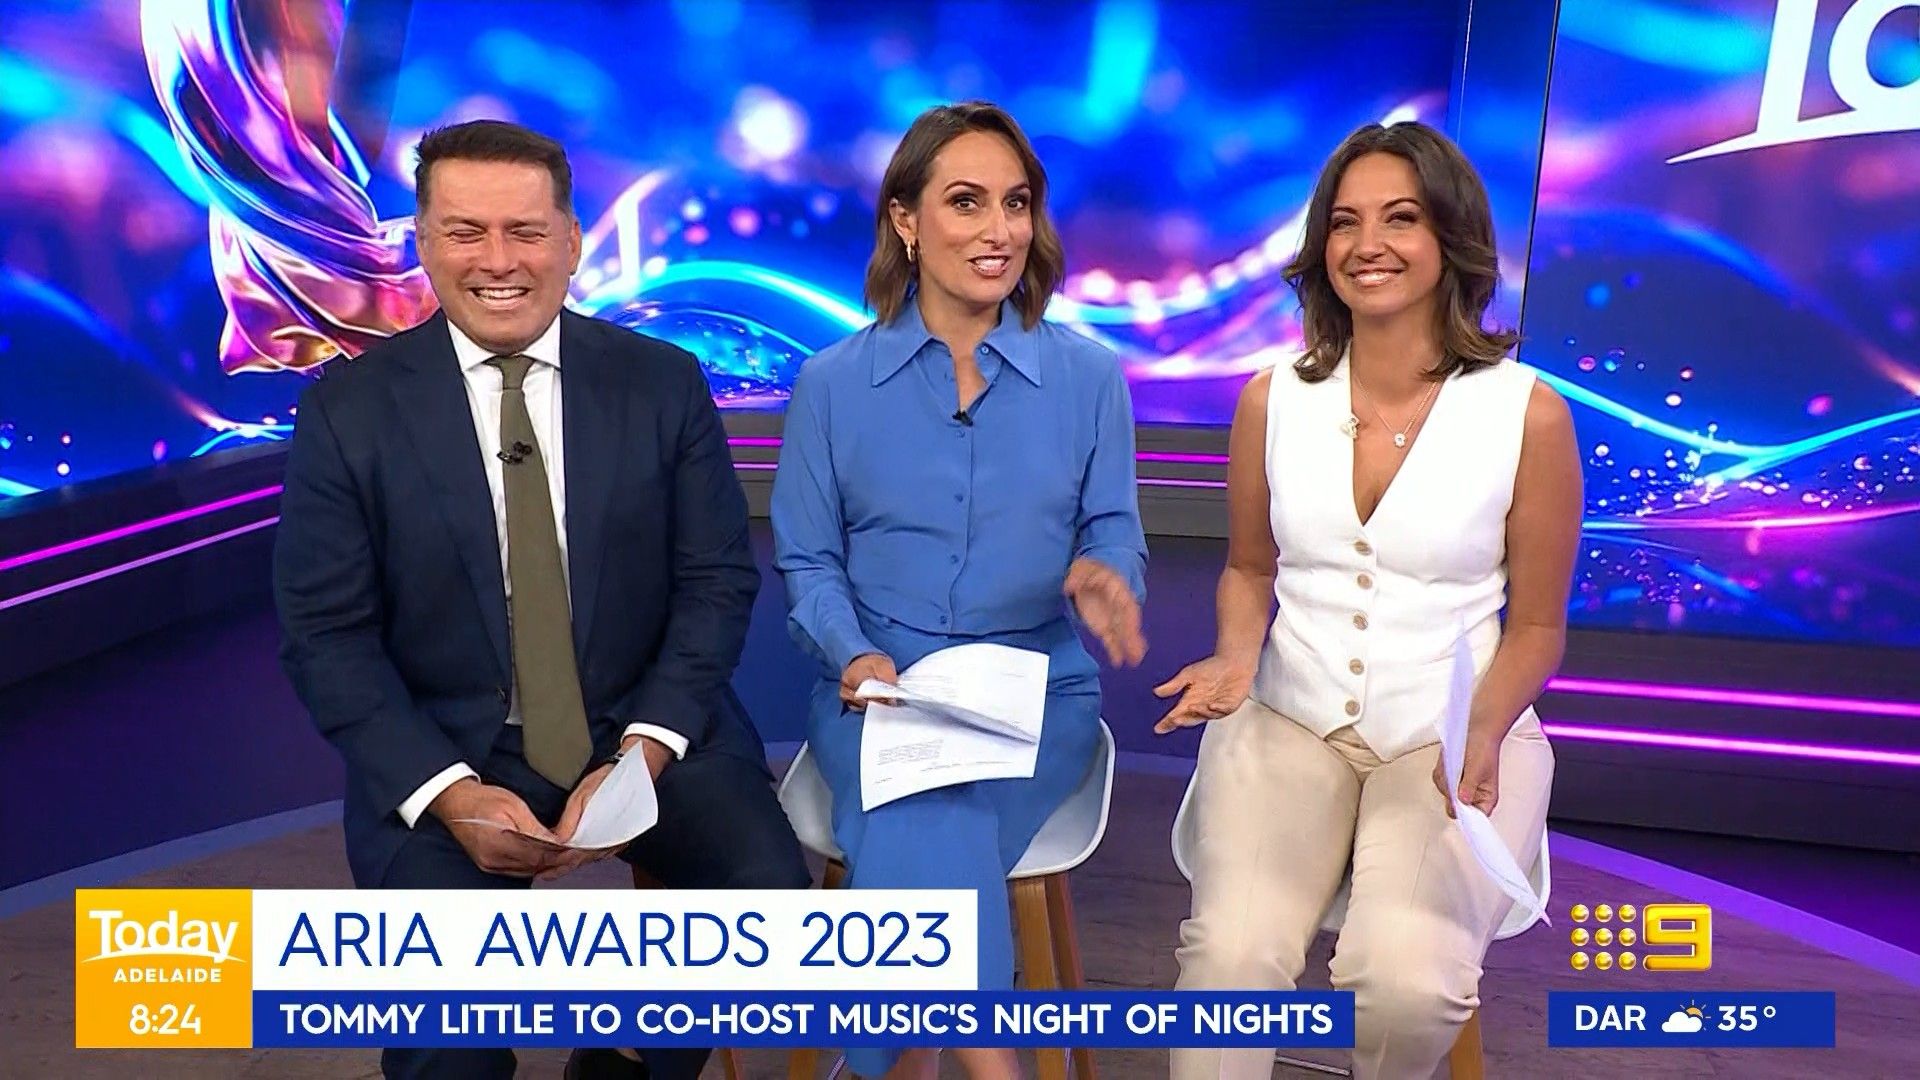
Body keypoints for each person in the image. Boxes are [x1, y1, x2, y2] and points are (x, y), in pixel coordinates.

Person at [272, 119, 809, 1080]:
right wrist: (452, 795)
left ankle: (624, 1061)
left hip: (645, 725)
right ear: (423, 243)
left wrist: (642, 755)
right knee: (446, 1043)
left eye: (524, 231)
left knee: (765, 909)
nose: (498, 261)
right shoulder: (348, 410)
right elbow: (327, 636)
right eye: (465, 232)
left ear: (570, 241)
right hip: (449, 749)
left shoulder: (661, 383)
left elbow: (716, 581)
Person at [1154, 121, 1582, 1080]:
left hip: (1452, 735)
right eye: (1345, 223)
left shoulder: (1527, 414)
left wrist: (1482, 729)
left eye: (1400, 219)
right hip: (1291, 718)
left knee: (1404, 984)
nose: (1367, 244)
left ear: (1451, 238)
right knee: (1229, 963)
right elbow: (1250, 569)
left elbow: (1538, 627)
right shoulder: (1272, 400)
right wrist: (1234, 657)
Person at [770, 101, 1148, 1080]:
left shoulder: (1090, 377)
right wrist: (853, 653)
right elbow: (808, 562)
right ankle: (989, 1066)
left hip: (1036, 692)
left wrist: (1108, 574)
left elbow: (1114, 531)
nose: (999, 231)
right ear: (905, 219)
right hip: (879, 688)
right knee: (932, 814)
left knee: (919, 821)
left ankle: (901, 1057)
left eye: (1016, 204)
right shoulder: (832, 384)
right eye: (967, 202)